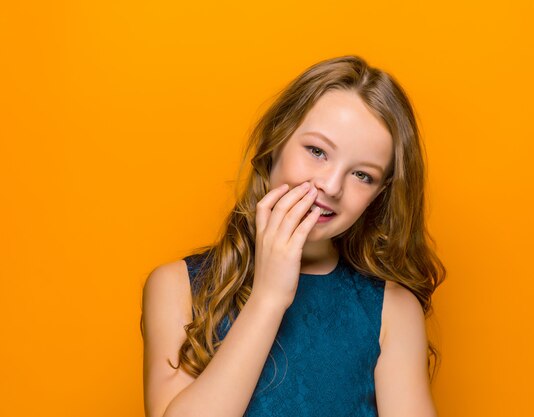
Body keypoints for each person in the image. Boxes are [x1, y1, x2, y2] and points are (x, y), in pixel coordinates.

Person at [141, 55, 446, 417]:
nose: (331, 186)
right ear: (277, 140)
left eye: (362, 175)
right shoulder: (178, 286)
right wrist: (268, 297)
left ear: (379, 193)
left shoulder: (391, 310)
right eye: (317, 152)